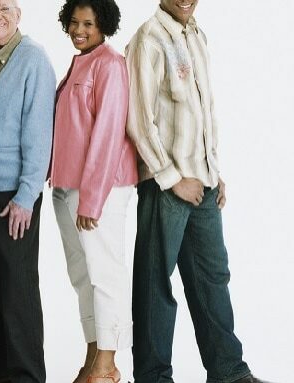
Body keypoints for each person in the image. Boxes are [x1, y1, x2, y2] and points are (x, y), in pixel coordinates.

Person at [126, 1, 269, 382]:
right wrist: (172, 177)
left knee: (212, 277)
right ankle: (154, 377)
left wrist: (213, 170)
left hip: (202, 183)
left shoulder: (197, 34)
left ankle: (228, 372)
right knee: (156, 284)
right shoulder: (149, 38)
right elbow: (138, 118)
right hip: (166, 186)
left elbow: (203, 112)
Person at [51, 1, 137, 382]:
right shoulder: (77, 62)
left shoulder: (110, 64)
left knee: (105, 276)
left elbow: (107, 134)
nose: (79, 30)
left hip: (101, 191)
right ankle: (92, 354)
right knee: (82, 277)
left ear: (105, 26)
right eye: (74, 22)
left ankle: (108, 363)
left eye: (88, 23)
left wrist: (92, 198)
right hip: (65, 187)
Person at [0, 0, 56, 382]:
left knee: (16, 292)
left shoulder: (33, 60)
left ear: (18, 14)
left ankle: (25, 376)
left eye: (5, 7)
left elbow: (39, 135)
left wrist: (26, 196)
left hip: (13, 196)